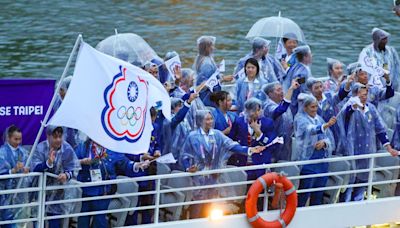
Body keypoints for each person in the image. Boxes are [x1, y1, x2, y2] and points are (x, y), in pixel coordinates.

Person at [179, 110, 265, 218]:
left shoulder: (217, 134)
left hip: (215, 178)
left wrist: (250, 150)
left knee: (213, 210)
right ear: (200, 121)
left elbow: (232, 145)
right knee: (197, 209)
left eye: (211, 119)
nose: (210, 121)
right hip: (198, 179)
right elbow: (184, 155)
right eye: (207, 119)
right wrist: (188, 168)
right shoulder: (192, 136)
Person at [337, 83, 398, 202]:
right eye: (361, 95)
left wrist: (389, 147)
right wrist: (354, 106)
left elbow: (380, 129)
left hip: (367, 151)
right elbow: (347, 114)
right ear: (354, 95)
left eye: (365, 95)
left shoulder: (371, 109)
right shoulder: (348, 109)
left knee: (363, 181)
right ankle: (346, 207)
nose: (364, 97)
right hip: (352, 152)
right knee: (350, 182)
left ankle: (358, 206)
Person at [75, 139, 149, 228]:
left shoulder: (111, 147)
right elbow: (71, 162)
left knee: (100, 220)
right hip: (86, 190)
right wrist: (82, 162)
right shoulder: (83, 146)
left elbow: (124, 163)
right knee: (83, 220)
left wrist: (136, 165)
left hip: (104, 191)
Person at [30, 126, 81, 228]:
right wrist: (48, 163)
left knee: (55, 220)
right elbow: (34, 168)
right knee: (39, 219)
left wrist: (66, 175)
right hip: (40, 191)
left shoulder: (67, 148)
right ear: (48, 136)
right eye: (55, 137)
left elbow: (73, 168)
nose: (58, 140)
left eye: (60, 136)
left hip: (58, 192)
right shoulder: (40, 148)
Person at [293, 94, 337, 207]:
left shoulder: (319, 118)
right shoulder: (300, 119)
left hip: (322, 163)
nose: (315, 109)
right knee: (304, 194)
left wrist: (324, 143)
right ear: (305, 107)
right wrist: (326, 125)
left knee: (318, 195)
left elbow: (329, 138)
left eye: (316, 107)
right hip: (308, 163)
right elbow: (310, 130)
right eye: (312, 107)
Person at [230, 98, 278, 179]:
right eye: (256, 110)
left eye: (259, 110)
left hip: (261, 163)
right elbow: (231, 141)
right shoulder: (239, 122)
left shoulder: (268, 123)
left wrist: (259, 133)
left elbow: (272, 144)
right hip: (242, 161)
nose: (259, 112)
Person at [263, 79, 300, 161]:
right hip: (274, 143)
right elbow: (280, 110)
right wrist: (291, 89)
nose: (282, 92)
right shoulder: (268, 106)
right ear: (270, 93)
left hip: (286, 142)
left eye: (282, 89)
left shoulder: (283, 104)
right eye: (278, 90)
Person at [0, 125, 29, 228]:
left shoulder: (23, 152)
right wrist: (13, 171)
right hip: (4, 193)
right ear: (8, 138)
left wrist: (26, 169)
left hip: (19, 194)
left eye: (20, 139)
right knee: (5, 220)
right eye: (15, 139)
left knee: (16, 220)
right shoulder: (1, 153)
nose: (18, 142)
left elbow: (30, 167)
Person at [193, 36, 233, 106]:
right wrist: (223, 79)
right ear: (206, 48)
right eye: (211, 46)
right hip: (208, 99)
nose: (213, 48)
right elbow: (207, 84)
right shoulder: (207, 64)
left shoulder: (201, 59)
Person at [282, 45, 313, 116]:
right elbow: (303, 89)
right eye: (310, 54)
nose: (312, 56)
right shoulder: (302, 73)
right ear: (305, 57)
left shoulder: (296, 66)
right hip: (296, 104)